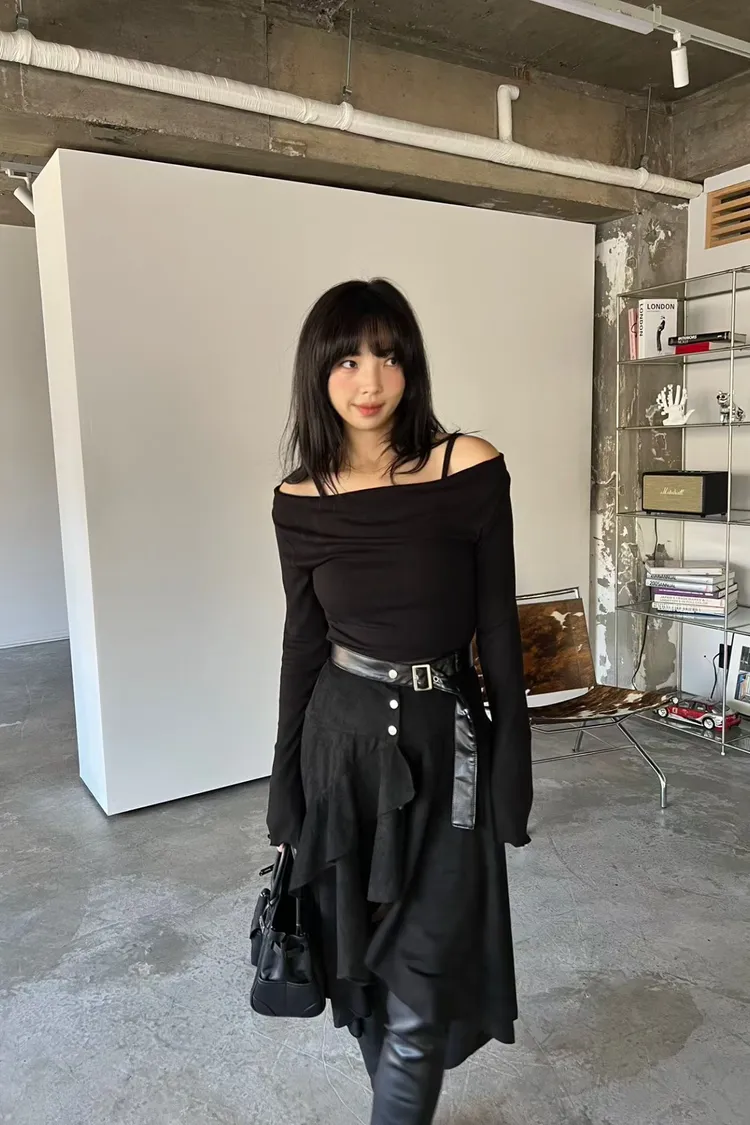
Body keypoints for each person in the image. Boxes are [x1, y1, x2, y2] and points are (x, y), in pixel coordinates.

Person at [268, 278, 532, 1125]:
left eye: (386, 355)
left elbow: (498, 632)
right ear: (319, 372)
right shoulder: (299, 502)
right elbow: (302, 646)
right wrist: (283, 783)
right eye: (347, 360)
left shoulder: (469, 468)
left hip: (448, 750)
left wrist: (513, 768)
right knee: (366, 983)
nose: (370, 379)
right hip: (339, 751)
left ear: (410, 365)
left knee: (420, 992)